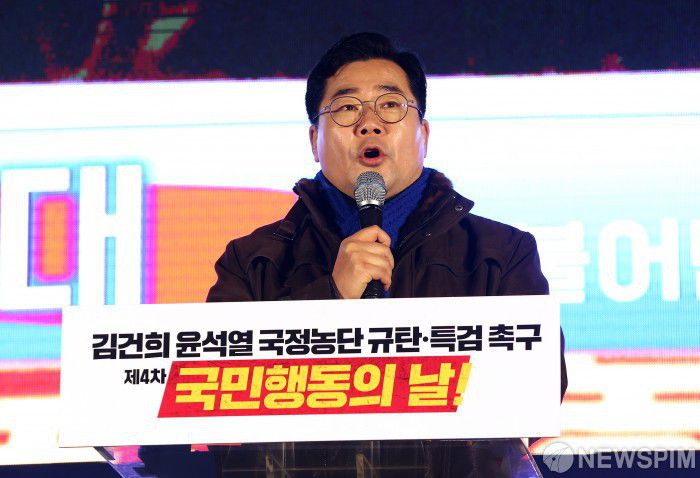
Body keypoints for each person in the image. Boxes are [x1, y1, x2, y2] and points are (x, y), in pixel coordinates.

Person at [207, 31, 567, 401]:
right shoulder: (251, 262)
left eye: (391, 105)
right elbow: (215, 392)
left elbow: (536, 392)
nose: (369, 124)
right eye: (347, 108)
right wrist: (330, 299)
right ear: (315, 141)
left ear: (423, 134)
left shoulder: (503, 253)